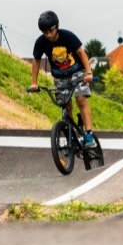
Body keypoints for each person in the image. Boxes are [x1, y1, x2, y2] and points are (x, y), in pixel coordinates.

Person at [27, 10, 97, 148]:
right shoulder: (41, 42)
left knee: (80, 99)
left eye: (50, 31)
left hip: (77, 72)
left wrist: (88, 72)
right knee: (66, 106)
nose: (48, 35)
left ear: (56, 27)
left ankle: (89, 135)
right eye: (44, 32)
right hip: (60, 76)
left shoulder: (67, 36)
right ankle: (71, 134)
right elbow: (36, 61)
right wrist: (34, 82)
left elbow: (81, 53)